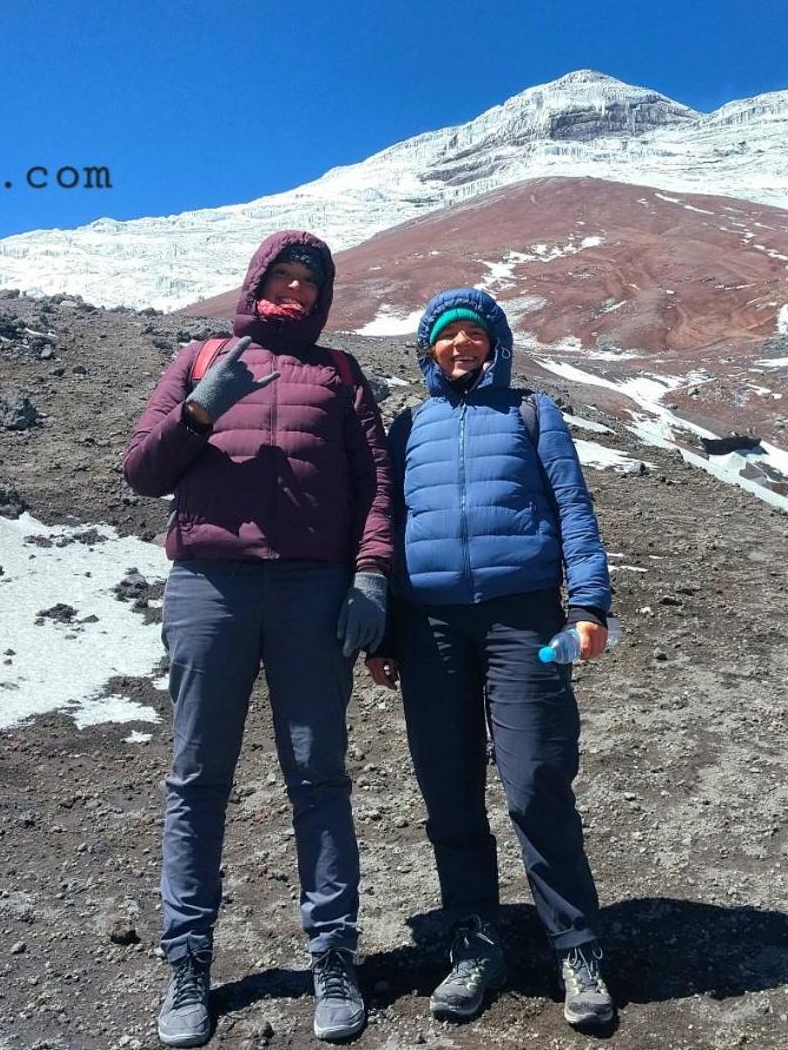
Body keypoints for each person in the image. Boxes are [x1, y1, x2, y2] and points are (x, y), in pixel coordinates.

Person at [122, 229, 392, 1047]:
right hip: (210, 587)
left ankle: (334, 953)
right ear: (257, 278)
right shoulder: (202, 357)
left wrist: (372, 575)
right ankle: (188, 958)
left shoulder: (340, 376)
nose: (300, 289)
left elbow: (376, 485)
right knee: (198, 777)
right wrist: (204, 407)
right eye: (286, 274)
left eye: (314, 281)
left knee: (319, 776)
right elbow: (141, 469)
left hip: (313, 591)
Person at [367, 287, 616, 1030]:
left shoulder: (531, 414)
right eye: (446, 337)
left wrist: (590, 603)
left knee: (536, 777)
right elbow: (383, 525)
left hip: (525, 616)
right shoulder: (408, 424)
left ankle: (576, 944)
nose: (460, 346)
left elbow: (573, 505)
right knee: (448, 788)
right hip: (428, 623)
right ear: (428, 350)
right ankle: (473, 942)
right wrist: (382, 632)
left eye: (474, 334)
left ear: (496, 343)